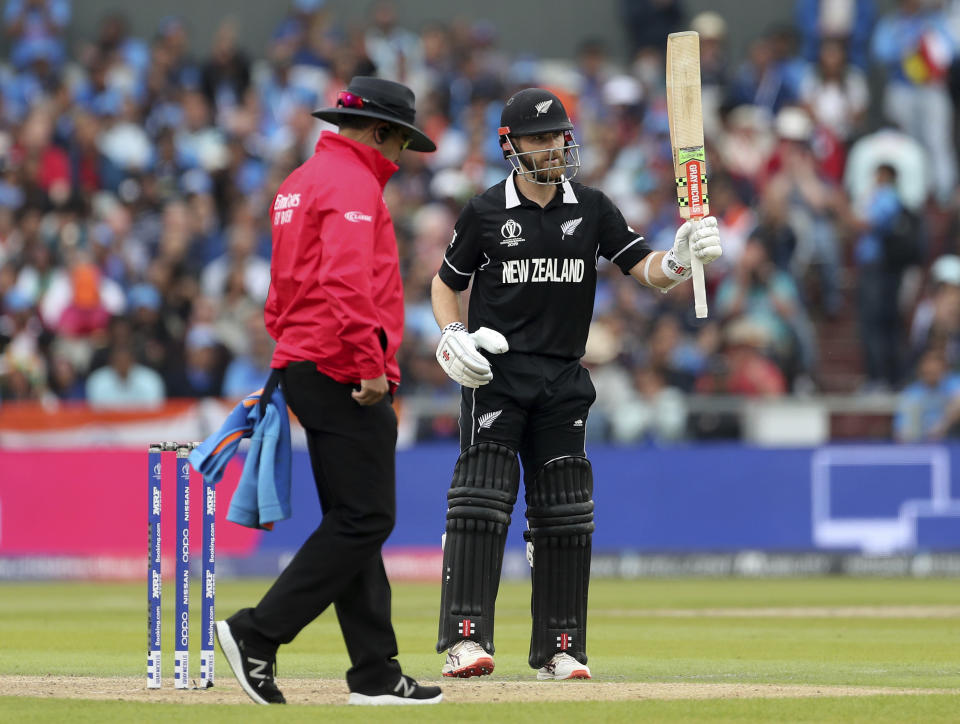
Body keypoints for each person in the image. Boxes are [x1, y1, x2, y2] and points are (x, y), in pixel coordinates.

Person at [431, 88, 722, 680]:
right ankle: (466, 640)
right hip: (495, 374)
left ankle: (561, 648)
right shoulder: (485, 211)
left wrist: (684, 257)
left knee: (564, 512)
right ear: (509, 146)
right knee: (481, 503)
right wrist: (454, 334)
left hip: (564, 375)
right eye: (539, 138)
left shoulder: (592, 208)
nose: (554, 147)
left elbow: (649, 271)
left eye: (559, 135)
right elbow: (444, 284)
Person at [214, 76, 443, 706]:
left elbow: (282, 290)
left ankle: (375, 672)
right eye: (399, 143)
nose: (399, 158)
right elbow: (346, 281)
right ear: (379, 132)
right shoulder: (352, 185)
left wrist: (286, 351)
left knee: (354, 521)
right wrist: (370, 362)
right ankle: (257, 633)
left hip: (305, 359)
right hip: (345, 368)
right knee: (368, 517)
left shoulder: (298, 183)